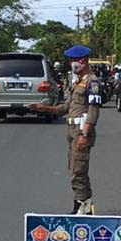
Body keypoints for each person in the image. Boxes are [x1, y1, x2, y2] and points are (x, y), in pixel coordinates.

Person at [30, 45, 102, 214]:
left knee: (78, 170)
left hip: (81, 131)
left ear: (82, 61)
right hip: (72, 131)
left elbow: (93, 110)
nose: (71, 64)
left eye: (72, 60)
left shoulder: (93, 81)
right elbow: (65, 108)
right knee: (75, 169)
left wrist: (84, 134)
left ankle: (82, 207)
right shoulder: (78, 82)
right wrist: (43, 108)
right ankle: (85, 205)